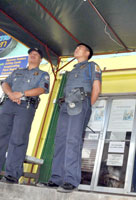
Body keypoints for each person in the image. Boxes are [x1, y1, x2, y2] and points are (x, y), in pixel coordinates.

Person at [39, 43, 102, 192]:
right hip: (66, 105)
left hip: (80, 104)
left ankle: (70, 180)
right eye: (76, 48)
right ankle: (56, 179)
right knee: (60, 140)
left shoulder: (92, 66)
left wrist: (87, 106)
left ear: (87, 53)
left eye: (80, 48)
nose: (76, 49)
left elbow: (97, 88)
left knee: (73, 140)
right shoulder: (73, 70)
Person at [0, 48, 49, 183]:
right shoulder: (17, 71)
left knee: (18, 139)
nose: (32, 56)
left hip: (25, 106)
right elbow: (5, 83)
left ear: (40, 60)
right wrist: (11, 94)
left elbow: (42, 89)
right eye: (31, 54)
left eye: (36, 55)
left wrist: (21, 94)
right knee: (1, 136)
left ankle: (12, 175)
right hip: (8, 104)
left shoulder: (43, 74)